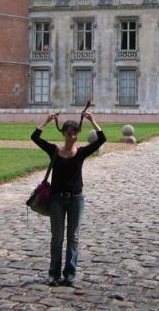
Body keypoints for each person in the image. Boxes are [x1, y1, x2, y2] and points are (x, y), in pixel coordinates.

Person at [31, 111, 106, 287]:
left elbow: (102, 139)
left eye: (75, 133)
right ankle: (53, 273)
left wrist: (92, 120)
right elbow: (35, 137)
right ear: (63, 133)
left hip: (76, 200)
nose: (72, 136)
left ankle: (70, 273)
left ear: (78, 134)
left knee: (73, 237)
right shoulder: (54, 151)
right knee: (57, 237)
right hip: (56, 199)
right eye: (69, 133)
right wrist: (47, 122)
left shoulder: (81, 153)